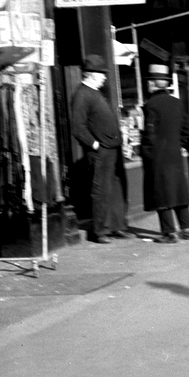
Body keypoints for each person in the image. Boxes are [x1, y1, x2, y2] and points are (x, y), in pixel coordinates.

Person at [71, 54, 128, 243]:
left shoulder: (96, 93)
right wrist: (94, 144)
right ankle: (100, 231)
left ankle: (116, 226)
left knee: (115, 189)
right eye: (101, 73)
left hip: (112, 148)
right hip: (100, 151)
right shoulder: (82, 94)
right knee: (101, 190)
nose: (104, 77)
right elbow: (78, 127)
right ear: (91, 75)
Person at [140, 65, 189, 243]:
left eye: (149, 82)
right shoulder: (177, 102)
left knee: (161, 193)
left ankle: (169, 232)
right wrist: (178, 144)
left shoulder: (151, 105)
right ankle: (187, 228)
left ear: (154, 84)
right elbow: (187, 129)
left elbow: (150, 133)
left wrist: (146, 153)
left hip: (158, 156)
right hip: (175, 154)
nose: (147, 85)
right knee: (179, 192)